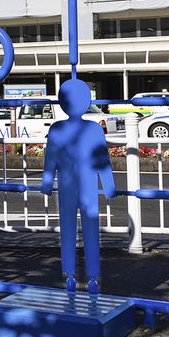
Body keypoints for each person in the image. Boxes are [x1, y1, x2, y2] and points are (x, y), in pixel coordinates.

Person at [41, 79, 117, 296]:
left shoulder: (57, 129)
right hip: (89, 186)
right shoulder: (94, 129)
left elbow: (51, 160)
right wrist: (109, 186)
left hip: (67, 187)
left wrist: (47, 183)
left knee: (67, 231)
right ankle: (93, 278)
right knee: (91, 230)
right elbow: (102, 161)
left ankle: (70, 277)